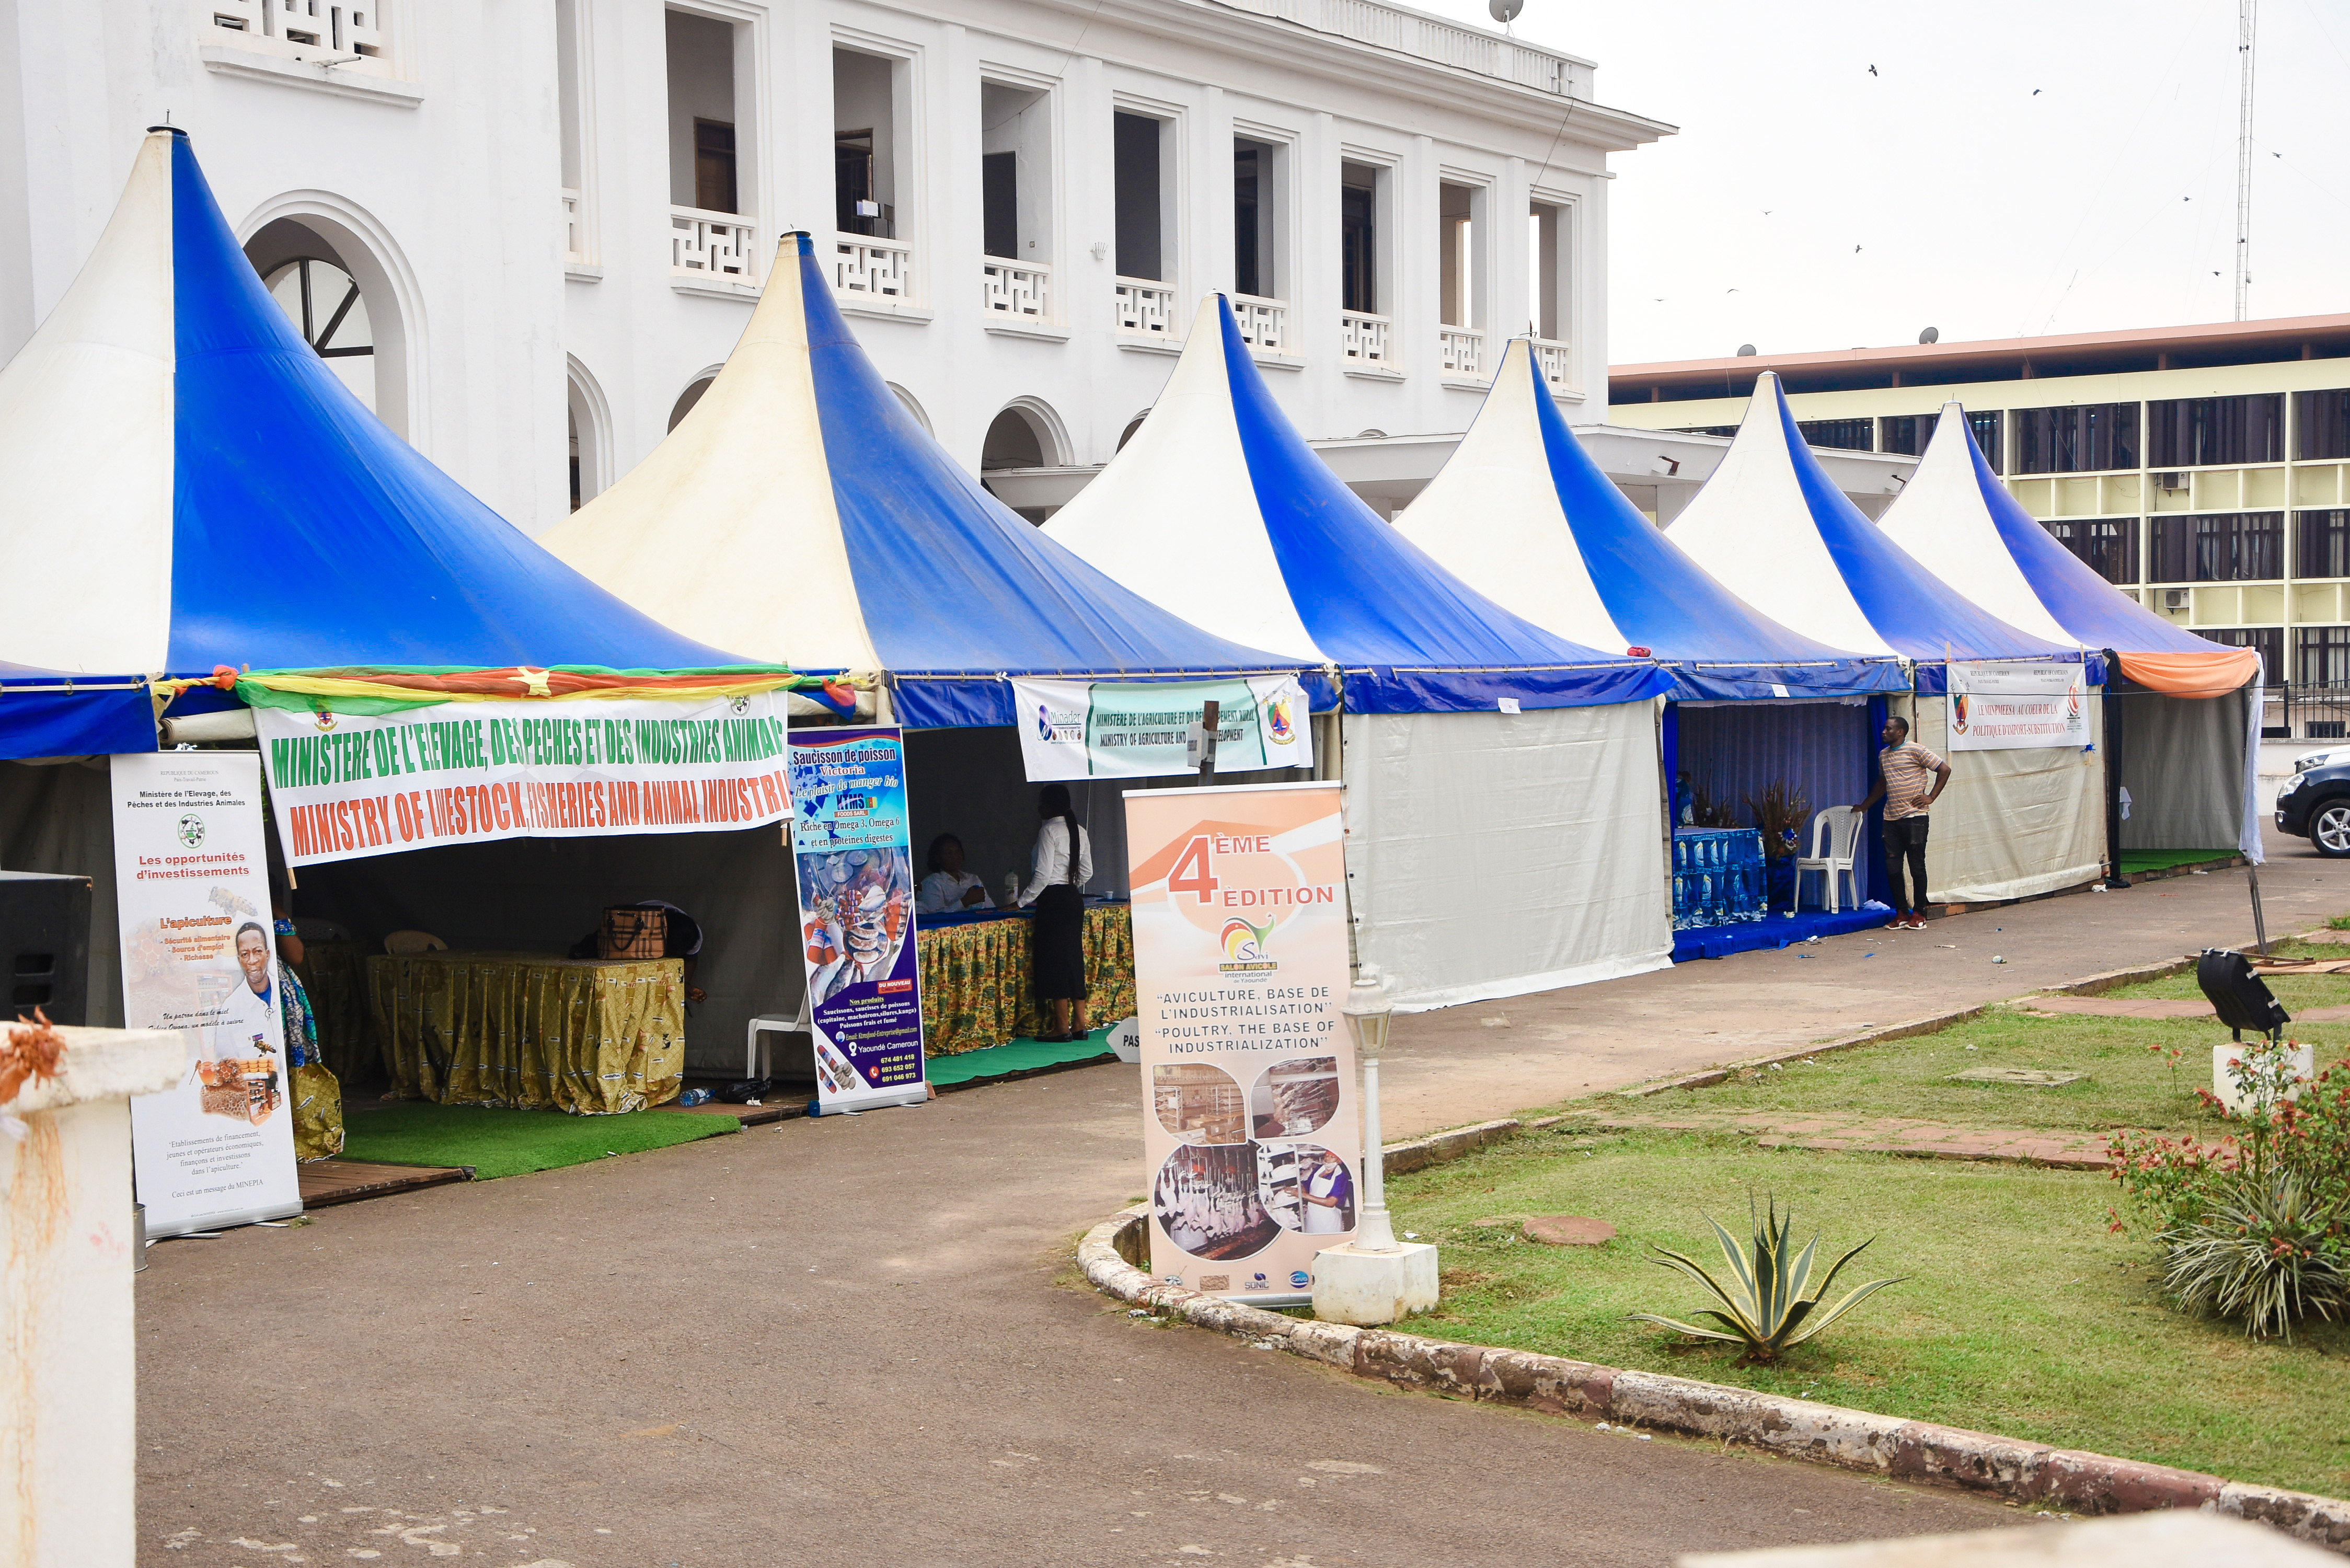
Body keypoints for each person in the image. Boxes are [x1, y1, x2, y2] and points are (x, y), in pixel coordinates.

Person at [1008, 783, 1091, 1042]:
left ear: (1049, 806)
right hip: (1072, 898)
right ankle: (1080, 1024)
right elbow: (1087, 872)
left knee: (1056, 961)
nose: (1038, 808)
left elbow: (1042, 875)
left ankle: (1061, 1027)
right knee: (1073, 959)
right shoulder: (1079, 830)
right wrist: (1068, 885)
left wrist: (1020, 903)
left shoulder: (1048, 831)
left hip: (1053, 901)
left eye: (1042, 803)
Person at [1855, 714, 1951, 930]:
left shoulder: (1916, 750)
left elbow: (1944, 769)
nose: (1883, 732)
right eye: (1884, 728)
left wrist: (1931, 797)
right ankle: (1901, 912)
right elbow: (1882, 784)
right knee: (1893, 867)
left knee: (1916, 866)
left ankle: (1919, 913)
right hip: (1891, 818)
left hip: (1915, 817)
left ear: (1901, 732)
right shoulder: (1884, 755)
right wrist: (1865, 806)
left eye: (1888, 729)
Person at [273, 904, 344, 1160]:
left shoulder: (262, 908)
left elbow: (296, 957)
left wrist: (280, 916)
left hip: (278, 996)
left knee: (288, 1068)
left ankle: (297, 1134)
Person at [571, 900, 707, 1003]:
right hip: (628, 932)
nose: (671, 957)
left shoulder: (693, 937)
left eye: (677, 955)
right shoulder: (642, 926)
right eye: (671, 953)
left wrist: (685, 984)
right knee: (601, 949)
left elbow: (691, 959)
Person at [916, 833, 993, 915]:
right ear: (937, 858)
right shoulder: (931, 883)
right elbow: (933, 918)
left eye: (958, 851)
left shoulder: (973, 879)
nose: (954, 856)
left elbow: (991, 908)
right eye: (948, 853)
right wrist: (964, 902)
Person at [1300, 1147, 1354, 1234]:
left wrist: (1303, 1195)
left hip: (1328, 1219)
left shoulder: (1341, 1176)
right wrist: (1296, 1190)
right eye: (1326, 1156)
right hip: (1312, 1216)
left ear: (1339, 1160)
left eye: (1332, 1157)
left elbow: (1330, 1202)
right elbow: (1307, 1186)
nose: (1327, 1159)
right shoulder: (1319, 1170)